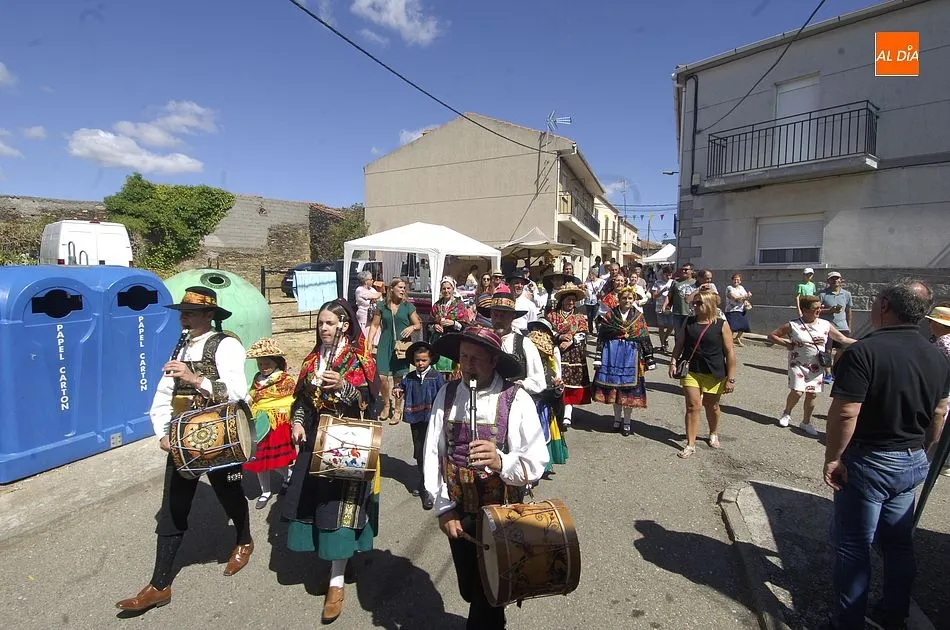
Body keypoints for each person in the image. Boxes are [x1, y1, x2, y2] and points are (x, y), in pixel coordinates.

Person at [823, 280, 950, 630]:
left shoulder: (864, 351)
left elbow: (846, 412)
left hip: (870, 460)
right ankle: (894, 613)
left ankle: (849, 623)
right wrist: (926, 450)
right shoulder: (937, 356)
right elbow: (939, 412)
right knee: (898, 543)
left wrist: (834, 457)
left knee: (854, 546)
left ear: (883, 306)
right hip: (912, 458)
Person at [116, 286, 251, 614]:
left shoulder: (226, 344)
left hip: (220, 436)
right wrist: (163, 432)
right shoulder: (181, 347)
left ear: (209, 315)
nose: (184, 318)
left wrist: (194, 379)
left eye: (190, 313)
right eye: (182, 313)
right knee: (173, 506)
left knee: (229, 494)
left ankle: (244, 539)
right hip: (183, 440)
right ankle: (159, 585)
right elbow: (164, 393)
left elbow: (237, 392)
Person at [423, 326, 550, 630]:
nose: (468, 366)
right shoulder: (447, 393)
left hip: (502, 515)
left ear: (494, 361)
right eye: (463, 357)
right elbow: (433, 452)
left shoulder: (516, 398)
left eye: (476, 359)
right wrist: (443, 508)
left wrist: (501, 460)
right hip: (459, 510)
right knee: (470, 588)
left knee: (488, 594)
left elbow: (537, 461)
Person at [282, 299, 380, 624]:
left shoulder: (360, 359)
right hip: (315, 440)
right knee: (317, 504)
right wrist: (298, 423)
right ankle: (335, 561)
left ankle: (336, 583)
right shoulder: (312, 360)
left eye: (329, 323)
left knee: (339, 508)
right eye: (320, 323)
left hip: (346, 442)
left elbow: (370, 404)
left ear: (344, 326)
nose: (323, 328)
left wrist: (345, 387)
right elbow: (302, 400)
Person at [768, 295, 855, 436]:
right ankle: (787, 413)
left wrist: (862, 343)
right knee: (797, 391)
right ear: (805, 310)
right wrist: (787, 344)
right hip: (797, 363)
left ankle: (806, 422)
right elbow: (772, 335)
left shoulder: (825, 324)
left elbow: (841, 338)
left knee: (812, 394)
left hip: (817, 365)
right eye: (816, 308)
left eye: (820, 307)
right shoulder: (793, 324)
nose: (819, 310)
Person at [669, 289, 736, 458]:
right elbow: (680, 343)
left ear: (709, 305)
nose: (695, 306)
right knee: (693, 406)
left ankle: (713, 432)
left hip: (714, 371)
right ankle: (690, 444)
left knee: (711, 405)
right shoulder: (689, 321)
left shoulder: (721, 324)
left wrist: (731, 378)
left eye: (699, 303)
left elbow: (730, 352)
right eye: (694, 303)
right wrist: (673, 361)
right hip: (691, 370)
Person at [243, 337, 297, 510]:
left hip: (278, 425)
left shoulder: (286, 380)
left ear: (276, 362)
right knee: (259, 459)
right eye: (260, 363)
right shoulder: (257, 379)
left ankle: (289, 477)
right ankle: (265, 491)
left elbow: (291, 401)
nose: (263, 367)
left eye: (267, 363)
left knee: (279, 460)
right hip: (259, 424)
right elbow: (253, 397)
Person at [592, 286, 650, 436]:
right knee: (615, 390)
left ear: (634, 300)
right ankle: (617, 420)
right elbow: (602, 335)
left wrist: (649, 357)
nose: (627, 301)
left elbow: (643, 336)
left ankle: (627, 422)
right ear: (619, 299)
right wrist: (598, 355)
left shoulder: (638, 316)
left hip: (631, 355)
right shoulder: (610, 315)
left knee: (628, 392)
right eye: (624, 298)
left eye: (630, 298)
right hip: (612, 354)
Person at [394, 341, 445, 510]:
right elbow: (400, 386)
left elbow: (444, 395)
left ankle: (430, 489)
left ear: (430, 360)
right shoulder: (409, 378)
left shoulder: (437, 377)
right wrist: (397, 390)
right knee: (419, 452)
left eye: (424, 360)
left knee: (433, 450)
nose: (421, 363)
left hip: (432, 420)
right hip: (416, 420)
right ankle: (423, 480)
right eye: (417, 360)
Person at [368, 277, 422, 424]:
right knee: (382, 377)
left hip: (401, 346)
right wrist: (369, 342)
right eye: (400, 287)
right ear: (391, 289)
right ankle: (387, 404)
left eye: (404, 288)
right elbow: (374, 325)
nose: (403, 290)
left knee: (398, 379)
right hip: (385, 344)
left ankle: (397, 409)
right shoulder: (382, 306)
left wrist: (412, 327)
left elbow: (418, 324)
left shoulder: (408, 307)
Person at [547, 283, 592, 428]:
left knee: (571, 383)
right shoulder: (552, 315)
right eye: (568, 299)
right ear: (562, 300)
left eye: (573, 300)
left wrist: (571, 341)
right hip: (556, 352)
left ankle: (567, 414)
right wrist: (559, 337)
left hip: (574, 354)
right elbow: (546, 330)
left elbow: (584, 333)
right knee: (556, 381)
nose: (571, 302)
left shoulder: (579, 317)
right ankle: (556, 411)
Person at [526, 319, 568, 469]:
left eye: (542, 330)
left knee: (544, 425)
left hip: (545, 393)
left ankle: (543, 464)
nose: (538, 333)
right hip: (529, 392)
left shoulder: (552, 350)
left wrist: (557, 384)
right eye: (536, 329)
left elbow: (556, 368)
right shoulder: (526, 345)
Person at [429, 277, 473, 378]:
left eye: (448, 288)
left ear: (453, 289)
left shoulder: (460, 305)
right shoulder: (436, 305)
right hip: (438, 341)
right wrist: (434, 326)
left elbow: (466, 325)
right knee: (438, 373)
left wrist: (453, 323)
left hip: (453, 340)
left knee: (453, 372)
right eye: (444, 288)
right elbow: (429, 323)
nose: (446, 291)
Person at [925, 304, 950, 477]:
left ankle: (934, 459)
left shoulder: (943, 341)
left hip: (943, 388)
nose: (929, 325)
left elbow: (937, 368)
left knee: (939, 421)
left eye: (931, 322)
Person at [818, 271, 853, 385]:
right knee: (827, 351)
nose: (835, 280)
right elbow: (816, 310)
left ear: (841, 280)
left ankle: (834, 370)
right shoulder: (822, 294)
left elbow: (849, 311)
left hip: (842, 326)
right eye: (832, 278)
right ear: (828, 281)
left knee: (841, 350)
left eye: (837, 278)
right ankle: (828, 373)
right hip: (827, 326)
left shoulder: (846, 294)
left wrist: (849, 326)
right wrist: (829, 310)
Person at [724, 274, 752, 347]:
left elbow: (745, 297)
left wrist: (748, 296)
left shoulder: (741, 288)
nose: (736, 281)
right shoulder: (729, 288)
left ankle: (737, 338)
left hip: (741, 309)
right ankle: (729, 341)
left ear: (740, 281)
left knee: (743, 326)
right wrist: (745, 296)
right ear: (732, 280)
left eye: (738, 280)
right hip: (732, 310)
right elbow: (734, 297)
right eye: (735, 279)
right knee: (732, 327)